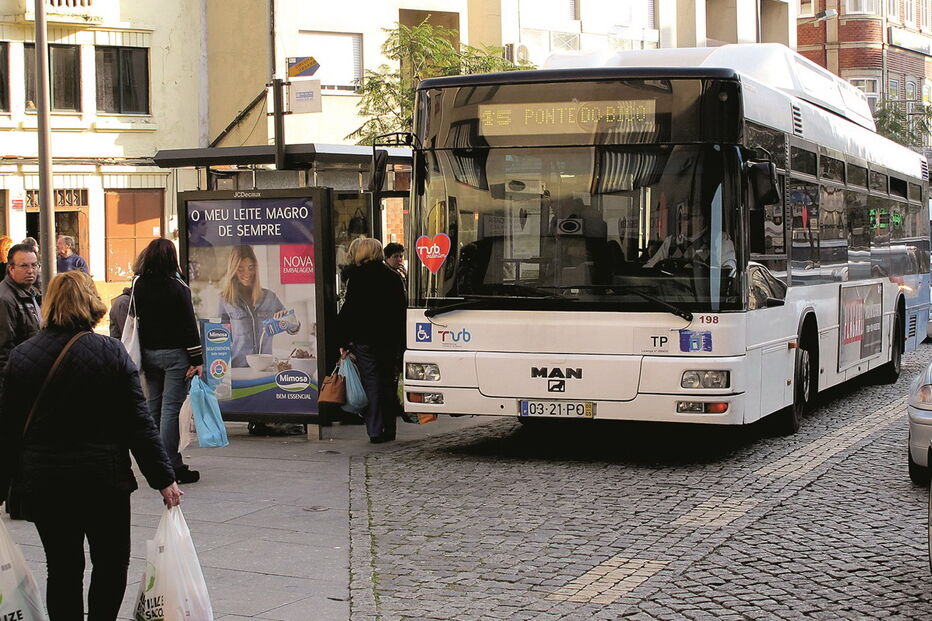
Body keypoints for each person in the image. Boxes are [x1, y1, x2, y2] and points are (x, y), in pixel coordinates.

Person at [0, 271, 182, 619]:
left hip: (45, 483)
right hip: (103, 481)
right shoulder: (110, 352)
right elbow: (138, 424)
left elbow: (7, 431)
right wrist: (164, 478)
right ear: (91, 303)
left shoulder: (22, 357)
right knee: (111, 563)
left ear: (48, 304)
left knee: (62, 567)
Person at [133, 238, 203, 484]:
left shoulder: (139, 285)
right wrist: (197, 359)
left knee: (154, 406)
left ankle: (155, 461)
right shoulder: (177, 286)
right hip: (175, 355)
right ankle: (172, 465)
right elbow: (188, 325)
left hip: (150, 353)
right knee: (170, 409)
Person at [337, 238, 406, 443]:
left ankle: (375, 430)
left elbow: (350, 311)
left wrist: (343, 339)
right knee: (387, 382)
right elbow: (400, 311)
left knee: (371, 383)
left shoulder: (357, 277)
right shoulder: (392, 277)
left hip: (364, 339)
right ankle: (390, 429)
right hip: (388, 339)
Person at [218, 245, 298, 368]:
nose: (247, 274)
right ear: (233, 270)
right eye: (240, 269)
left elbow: (294, 329)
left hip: (265, 370)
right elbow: (219, 341)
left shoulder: (270, 297)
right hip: (238, 370)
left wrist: (288, 319)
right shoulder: (225, 300)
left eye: (251, 268)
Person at [0, 243, 42, 394]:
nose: (31, 271)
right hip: (18, 383)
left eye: (34, 265)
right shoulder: (5, 299)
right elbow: (4, 350)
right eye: (24, 266)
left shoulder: (31, 293)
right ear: (11, 268)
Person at [644, 203, 736, 270]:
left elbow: (728, 271)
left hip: (706, 295)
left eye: (685, 217)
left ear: (700, 219)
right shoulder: (671, 242)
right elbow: (649, 268)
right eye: (680, 218)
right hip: (671, 295)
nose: (681, 221)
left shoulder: (719, 239)